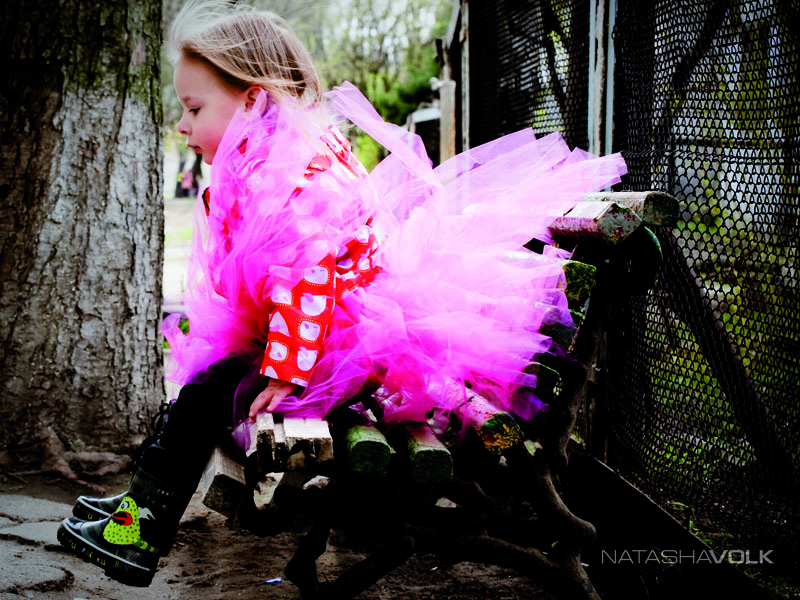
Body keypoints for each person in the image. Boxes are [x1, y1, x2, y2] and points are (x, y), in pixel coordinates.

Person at [57, 0, 627, 588]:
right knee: (202, 391)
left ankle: (140, 530)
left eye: (194, 108)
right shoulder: (268, 155)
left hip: (335, 353)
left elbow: (309, 272)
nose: (183, 124)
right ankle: (139, 502)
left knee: (204, 396)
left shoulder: (288, 169)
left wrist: (286, 371)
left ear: (252, 99)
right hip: (320, 341)